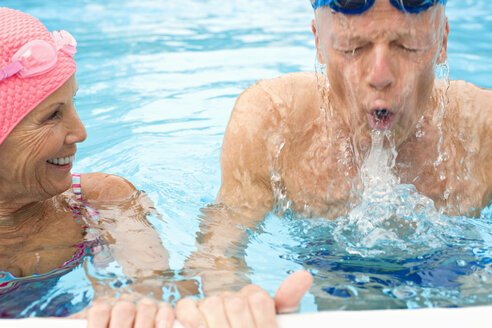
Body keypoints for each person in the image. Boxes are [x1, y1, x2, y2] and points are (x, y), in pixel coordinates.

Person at [0, 7, 312, 327]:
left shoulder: (100, 201)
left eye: (73, 103)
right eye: (52, 115)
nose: (80, 132)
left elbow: (163, 288)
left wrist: (129, 305)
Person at [185, 0, 492, 307]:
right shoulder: (274, 120)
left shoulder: (483, 129)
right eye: (353, 48)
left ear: (442, 42)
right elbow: (218, 252)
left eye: (408, 46)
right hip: (325, 267)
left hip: (457, 268)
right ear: (319, 42)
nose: (380, 75)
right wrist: (236, 302)